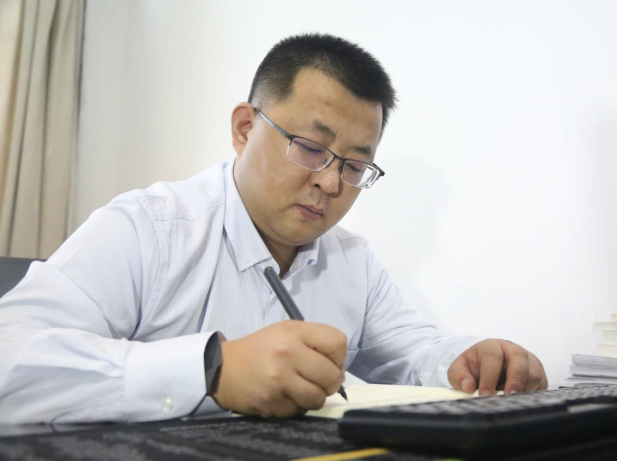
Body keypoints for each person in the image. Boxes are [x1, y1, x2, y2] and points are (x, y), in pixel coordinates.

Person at [0, 33, 548, 424]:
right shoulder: (148, 230)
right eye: (310, 147)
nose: (331, 182)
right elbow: (10, 357)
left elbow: (409, 349)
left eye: (355, 166)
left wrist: (468, 361)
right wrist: (209, 370)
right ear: (245, 128)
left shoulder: (351, 260)